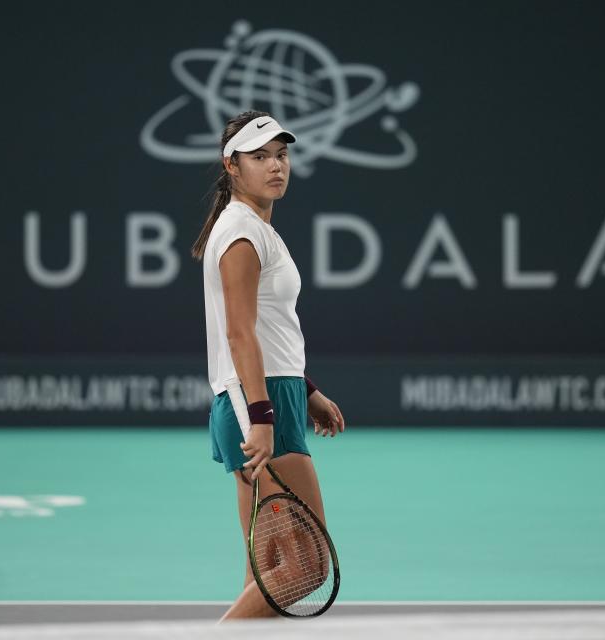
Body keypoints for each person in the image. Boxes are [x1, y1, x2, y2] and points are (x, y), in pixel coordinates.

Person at [192, 110, 346, 620]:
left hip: (270, 395)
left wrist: (308, 390)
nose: (275, 166)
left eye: (281, 155)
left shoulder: (252, 227)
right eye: (259, 157)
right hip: (256, 403)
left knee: (267, 569)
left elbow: (267, 330)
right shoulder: (240, 232)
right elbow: (239, 332)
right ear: (231, 165)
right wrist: (262, 417)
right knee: (306, 568)